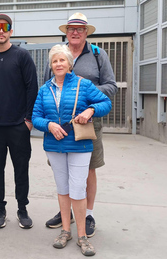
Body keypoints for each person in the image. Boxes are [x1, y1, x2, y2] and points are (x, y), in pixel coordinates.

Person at [33, 44, 111, 256]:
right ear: (51, 65)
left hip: (79, 145)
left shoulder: (83, 85)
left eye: (62, 60)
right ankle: (65, 231)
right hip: (54, 145)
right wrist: (48, 125)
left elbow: (106, 102)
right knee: (63, 189)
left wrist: (90, 110)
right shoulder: (44, 89)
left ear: (70, 63)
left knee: (77, 189)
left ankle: (82, 236)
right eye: (55, 61)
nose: (58, 64)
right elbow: (36, 117)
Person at [44, 13, 118, 237]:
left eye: (80, 29)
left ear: (86, 33)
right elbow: (49, 86)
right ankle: (66, 212)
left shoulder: (97, 55)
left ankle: (87, 214)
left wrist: (86, 96)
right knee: (63, 171)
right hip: (60, 125)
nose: (75, 32)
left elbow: (111, 86)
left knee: (88, 170)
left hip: (88, 123)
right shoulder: (58, 54)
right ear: (66, 32)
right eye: (71, 29)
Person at [0, 14, 38, 229]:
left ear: (11, 31)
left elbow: (32, 87)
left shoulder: (22, 56)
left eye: (5, 27)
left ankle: (22, 208)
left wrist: (28, 120)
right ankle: (0, 209)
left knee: (21, 169)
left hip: (17, 126)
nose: (1, 31)